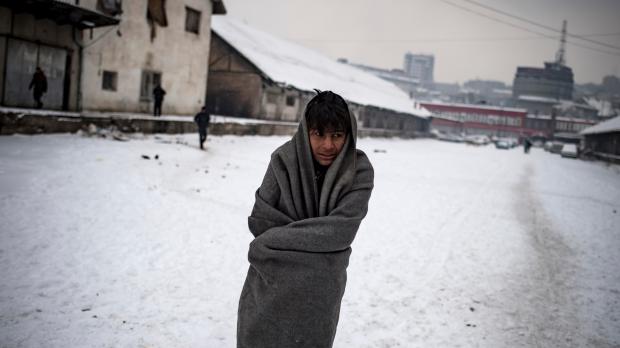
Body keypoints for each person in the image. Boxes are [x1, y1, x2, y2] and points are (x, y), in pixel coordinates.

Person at [237, 90, 374, 347]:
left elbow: (340, 231)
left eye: (337, 135)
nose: (328, 145)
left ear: (349, 135)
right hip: (270, 286)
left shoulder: (359, 171)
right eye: (318, 134)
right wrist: (315, 248)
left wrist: (273, 241)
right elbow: (260, 220)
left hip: (319, 295)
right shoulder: (283, 160)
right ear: (305, 132)